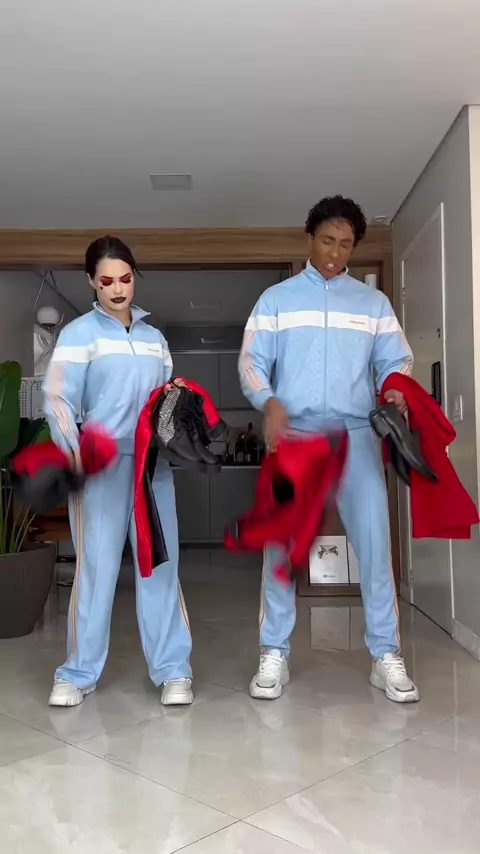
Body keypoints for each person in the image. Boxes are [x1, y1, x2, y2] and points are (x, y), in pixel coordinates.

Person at [238, 195, 419, 704]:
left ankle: (386, 656)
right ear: (309, 239)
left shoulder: (372, 305)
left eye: (345, 244)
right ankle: (274, 653)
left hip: (355, 436)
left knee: (374, 547)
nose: (336, 253)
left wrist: (394, 388)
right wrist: (269, 402)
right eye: (327, 241)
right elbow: (251, 363)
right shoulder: (276, 300)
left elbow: (397, 361)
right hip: (293, 435)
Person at [43, 236, 193, 707]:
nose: (117, 289)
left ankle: (173, 670)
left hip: (151, 469)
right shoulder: (78, 335)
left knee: (159, 568)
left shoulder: (154, 340)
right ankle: (78, 673)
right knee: (96, 571)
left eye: (125, 278)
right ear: (92, 282)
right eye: (106, 281)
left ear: (134, 278)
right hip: (100, 466)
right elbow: (57, 399)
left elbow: (166, 402)